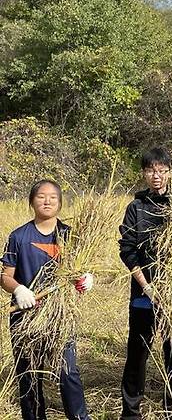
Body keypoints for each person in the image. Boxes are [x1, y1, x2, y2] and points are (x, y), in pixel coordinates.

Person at [118, 147, 172, 420]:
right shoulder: (136, 207)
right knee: (138, 350)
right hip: (144, 291)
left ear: (170, 172)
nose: (156, 176)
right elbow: (127, 250)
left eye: (161, 170)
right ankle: (131, 412)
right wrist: (147, 286)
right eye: (150, 170)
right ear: (143, 174)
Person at [1, 179, 92, 420]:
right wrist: (19, 290)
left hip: (60, 317)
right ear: (32, 201)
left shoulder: (70, 236)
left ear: (60, 203)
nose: (47, 201)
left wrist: (85, 279)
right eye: (41, 196)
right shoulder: (18, 236)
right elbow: (5, 277)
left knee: (68, 372)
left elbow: (79, 272)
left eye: (53, 197)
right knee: (29, 375)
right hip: (25, 319)